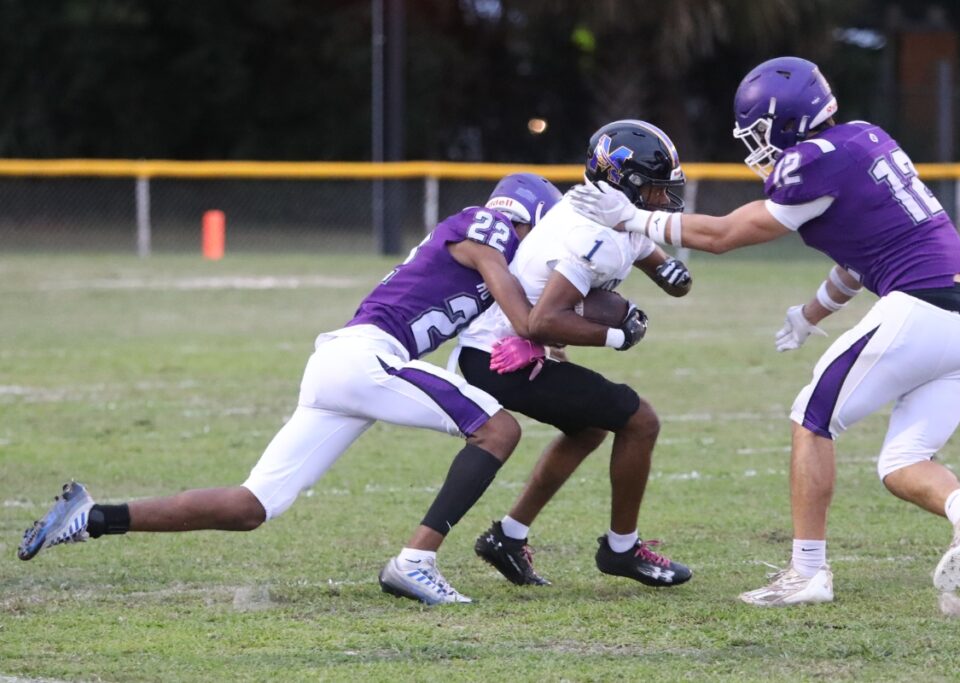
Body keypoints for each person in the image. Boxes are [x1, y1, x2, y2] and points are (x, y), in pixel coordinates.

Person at [566, 57, 960, 606]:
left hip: (924, 308)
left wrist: (631, 217)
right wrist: (809, 315)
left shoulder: (809, 162)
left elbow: (726, 234)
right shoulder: (867, 139)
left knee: (811, 418)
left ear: (782, 121)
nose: (754, 144)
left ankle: (807, 573)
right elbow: (857, 260)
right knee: (902, 461)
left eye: (755, 131)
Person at [18, 173, 563, 607]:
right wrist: (555, 326)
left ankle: (93, 517)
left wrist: (549, 341)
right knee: (497, 429)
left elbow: (505, 321)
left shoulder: (489, 257)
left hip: (342, 364)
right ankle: (415, 563)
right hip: (366, 358)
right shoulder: (487, 226)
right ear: (531, 216)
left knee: (251, 506)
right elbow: (521, 309)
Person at [455, 119, 695, 589]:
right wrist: (617, 335)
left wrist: (664, 278)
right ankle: (621, 549)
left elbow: (662, 267)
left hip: (509, 349)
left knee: (587, 429)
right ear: (620, 184)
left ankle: (508, 536)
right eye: (653, 189)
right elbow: (543, 320)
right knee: (639, 420)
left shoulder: (614, 218)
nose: (661, 199)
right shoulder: (593, 236)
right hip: (500, 356)